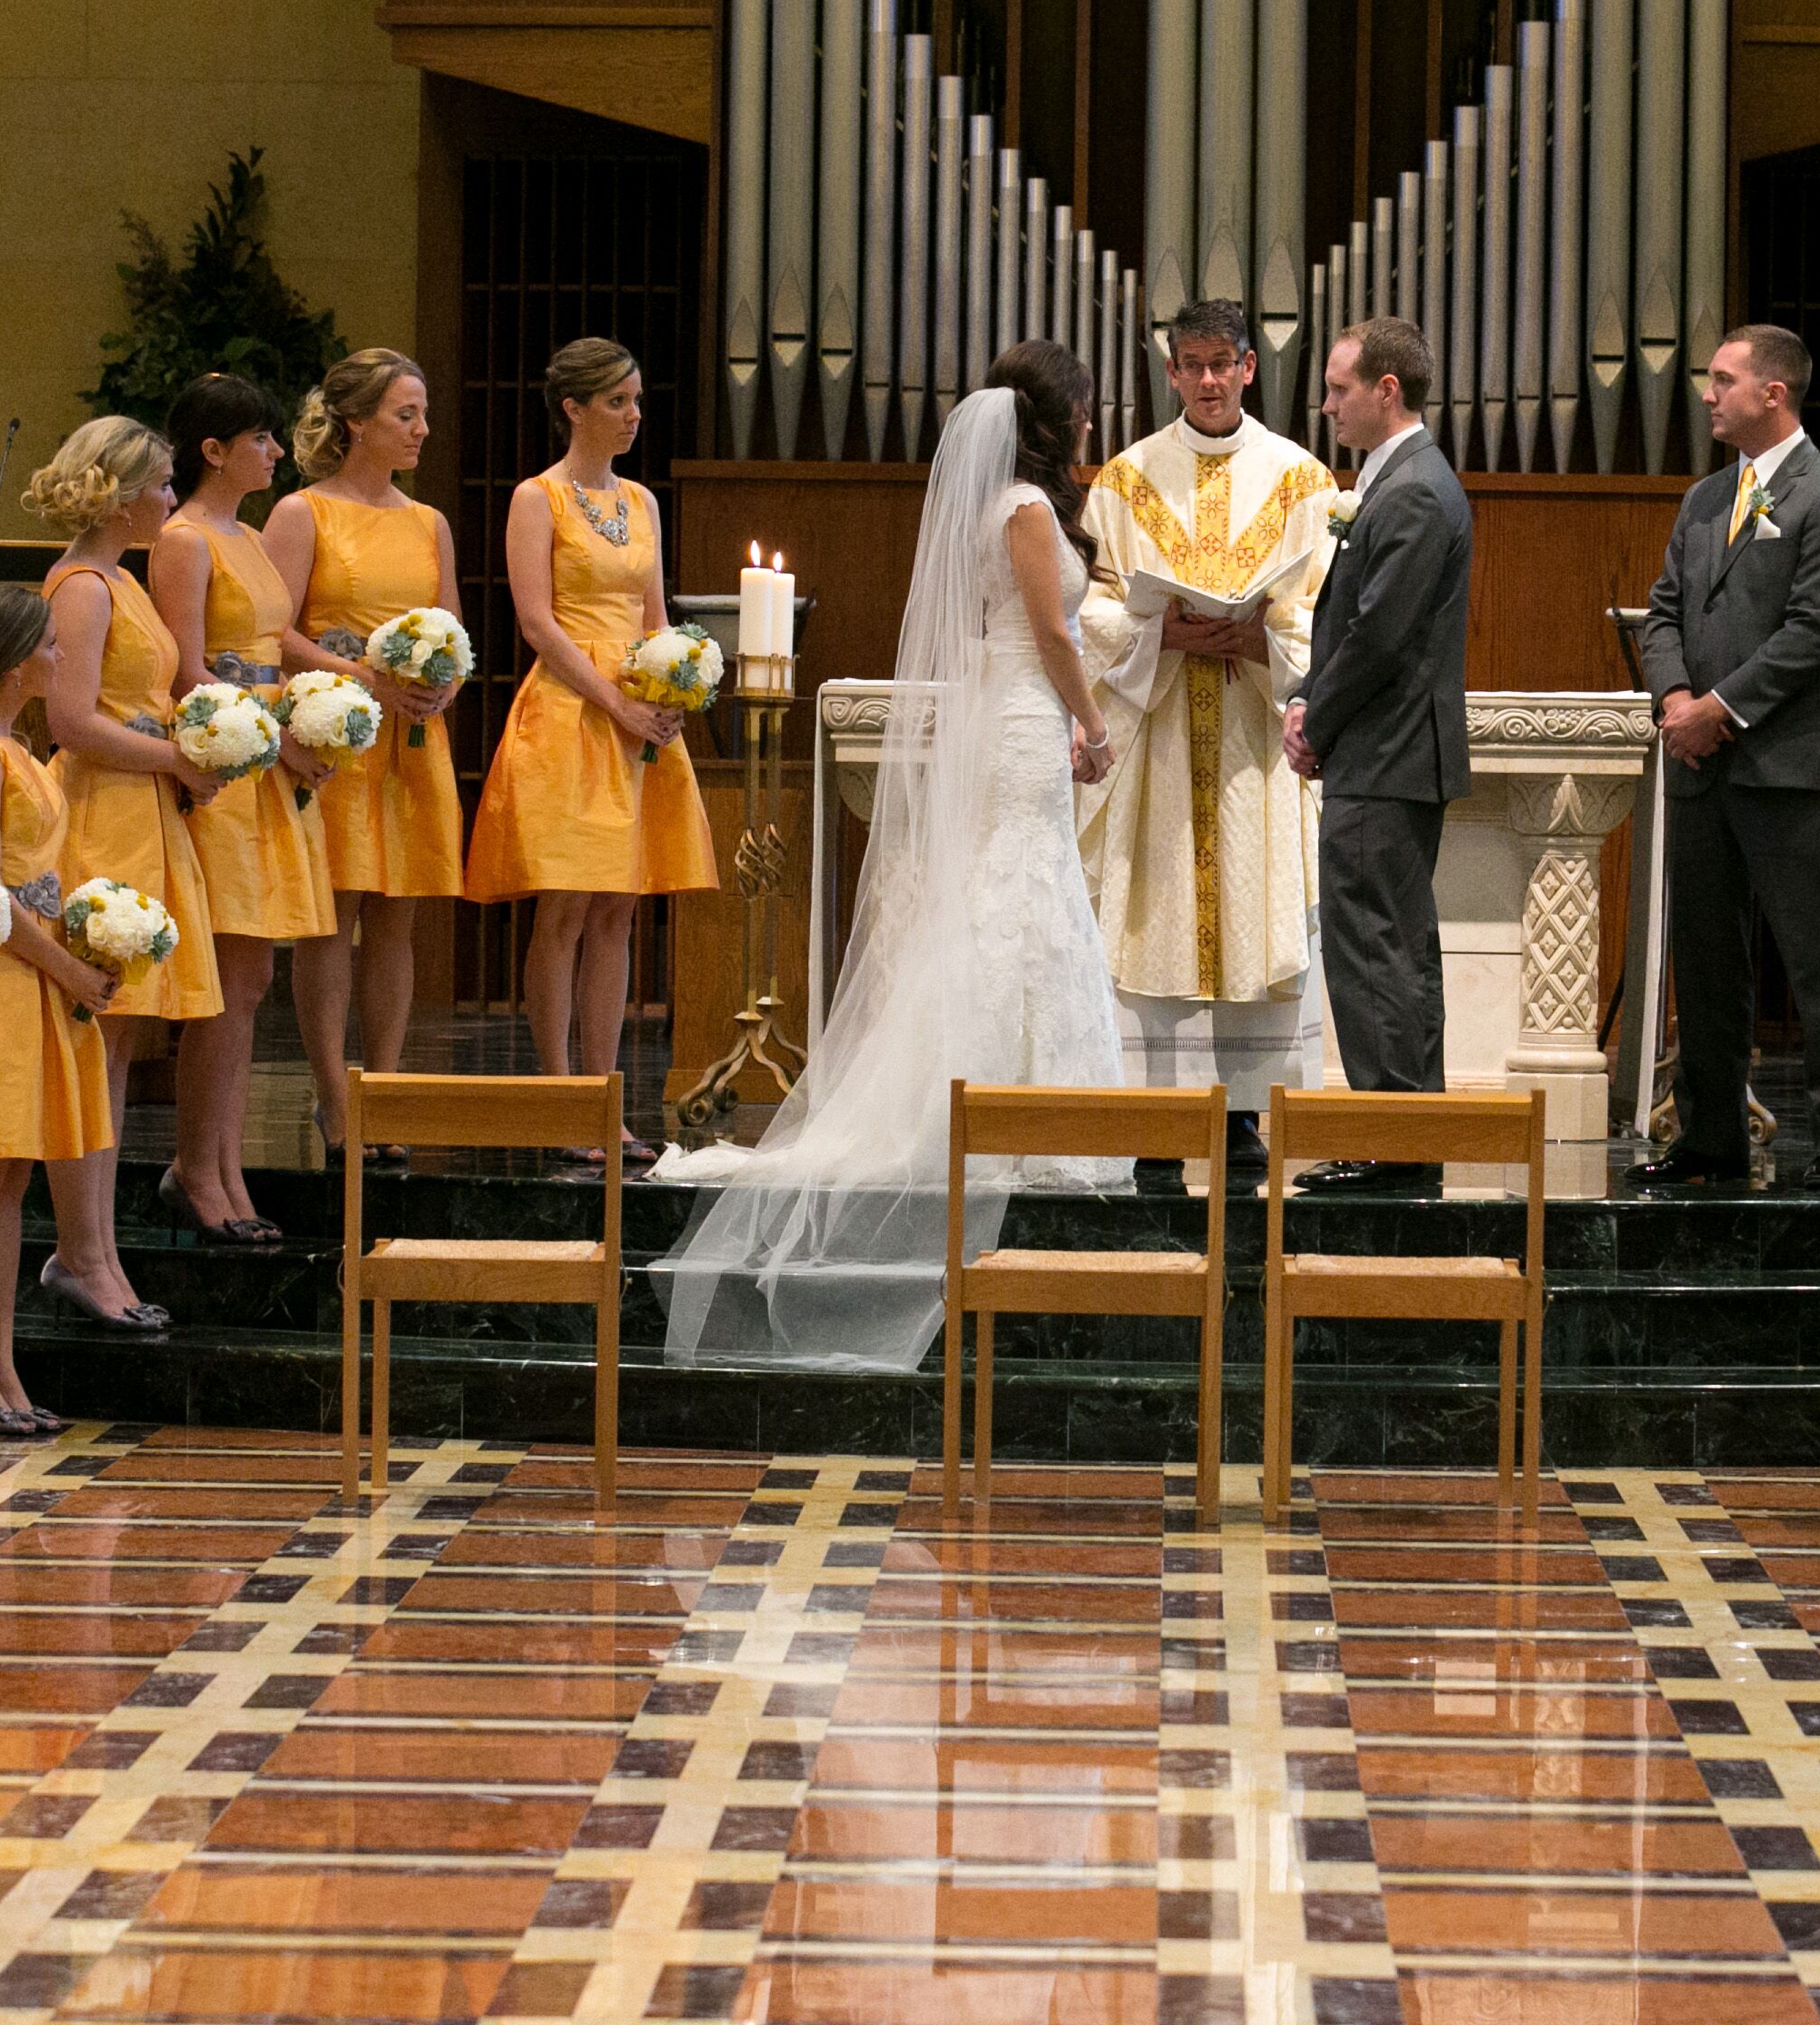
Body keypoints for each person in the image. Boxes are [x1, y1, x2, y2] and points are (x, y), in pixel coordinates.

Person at [653, 346, 1125, 1368]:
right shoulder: (1030, 512)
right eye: (1087, 407)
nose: (1095, 420)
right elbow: (1049, 629)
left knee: (1014, 892)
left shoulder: (994, 508)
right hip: (1027, 717)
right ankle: (1015, 1108)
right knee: (1025, 891)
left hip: (1008, 713)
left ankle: (1005, 1098)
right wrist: (1092, 723)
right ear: (1060, 415)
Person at [1077, 298, 1338, 1194]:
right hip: (1159, 740)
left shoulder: (1304, 481)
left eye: (1224, 363)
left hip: (1252, 739)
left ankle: (1240, 1122)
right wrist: (1169, 636)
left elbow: (1319, 606)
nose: (1210, 380)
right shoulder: (1123, 478)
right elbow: (1095, 604)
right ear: (1173, 372)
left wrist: (1261, 640)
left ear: (1249, 367)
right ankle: (1155, 1117)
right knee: (1157, 927)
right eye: (1191, 365)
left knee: (1248, 925)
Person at [1632, 324, 1820, 1193]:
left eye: (1723, 380)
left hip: (1788, 767)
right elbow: (1663, 613)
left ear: (1774, 393)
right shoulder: (1704, 499)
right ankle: (1709, 1139)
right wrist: (1672, 702)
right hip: (1702, 772)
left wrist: (1718, 710)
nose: (1707, 393)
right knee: (1704, 963)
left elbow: (1815, 631)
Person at [464, 337, 719, 1161]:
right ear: (573, 408)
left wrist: (670, 685)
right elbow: (537, 623)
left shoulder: (641, 501)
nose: (635, 415)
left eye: (637, 400)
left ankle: (604, 1104)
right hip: (571, 712)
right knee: (566, 905)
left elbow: (653, 614)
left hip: (638, 715)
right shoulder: (538, 499)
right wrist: (614, 701)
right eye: (617, 401)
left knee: (619, 908)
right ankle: (560, 1093)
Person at [34, 416, 221, 1333]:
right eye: (161, 483)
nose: (172, 499)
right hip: (101, 818)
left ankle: (97, 1249)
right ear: (117, 490)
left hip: (140, 813)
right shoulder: (80, 586)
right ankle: (80, 1252)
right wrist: (175, 760)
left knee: (114, 1053)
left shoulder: (124, 581)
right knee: (89, 1048)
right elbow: (70, 721)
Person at [0, 586, 124, 1437]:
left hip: (35, 976)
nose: (63, 655)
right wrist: (67, 969)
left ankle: (1, 1358)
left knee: (10, 1179)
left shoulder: (18, 745)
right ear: (12, 662)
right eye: (49, 645)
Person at [1287, 316, 1471, 1198]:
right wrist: (1306, 700)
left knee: (1377, 949)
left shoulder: (1415, 494)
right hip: (1382, 752)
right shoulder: (1396, 487)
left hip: (1388, 754)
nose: (1327, 405)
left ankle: (1394, 1146)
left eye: (1338, 388)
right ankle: (1401, 1138)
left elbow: (1380, 638)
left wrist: (1314, 721)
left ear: (1387, 389)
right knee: (1385, 946)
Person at [151, 372, 335, 1243]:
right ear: (213, 451)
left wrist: (330, 701)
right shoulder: (183, 539)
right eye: (259, 438)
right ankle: (200, 1168)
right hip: (229, 763)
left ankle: (218, 1162)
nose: (276, 449)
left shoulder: (251, 533)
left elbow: (274, 642)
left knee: (254, 976)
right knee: (225, 978)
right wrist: (274, 736)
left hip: (269, 757)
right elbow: (187, 669)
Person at [269, 351, 466, 1168]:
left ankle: (383, 1087)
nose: (422, 430)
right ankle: (332, 1095)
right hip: (337, 726)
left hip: (413, 733)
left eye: (422, 415)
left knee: (399, 914)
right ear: (357, 423)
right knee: (332, 916)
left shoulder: (428, 522)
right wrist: (364, 678)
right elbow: (272, 630)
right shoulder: (302, 512)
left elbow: (449, 623)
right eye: (405, 415)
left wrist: (441, 680)